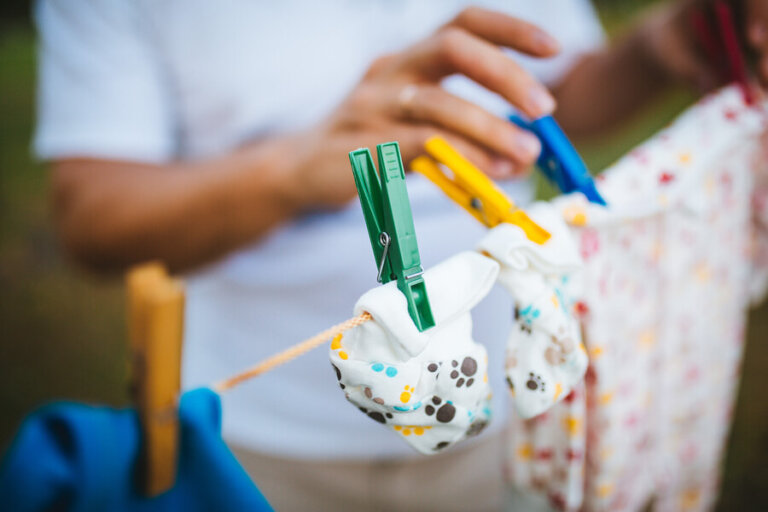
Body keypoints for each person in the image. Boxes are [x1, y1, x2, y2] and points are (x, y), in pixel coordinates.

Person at [33, 1, 768, 510]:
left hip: (513, 423)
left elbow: (546, 101)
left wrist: (651, 48)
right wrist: (287, 171)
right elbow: (93, 220)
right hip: (252, 442)